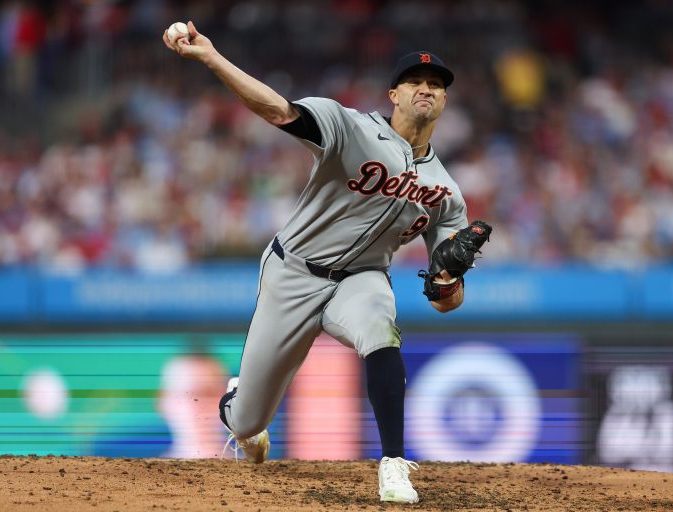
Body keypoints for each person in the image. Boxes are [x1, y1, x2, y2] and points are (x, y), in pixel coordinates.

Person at [162, 21, 491, 504]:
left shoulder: (446, 193)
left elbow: (446, 301)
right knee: (248, 419)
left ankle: (394, 466)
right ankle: (240, 405)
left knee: (381, 329)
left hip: (361, 280)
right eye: (417, 82)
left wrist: (448, 278)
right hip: (293, 272)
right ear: (394, 95)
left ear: (444, 102)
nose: (427, 89)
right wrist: (212, 58)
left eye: (437, 85)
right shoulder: (351, 127)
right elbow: (277, 110)